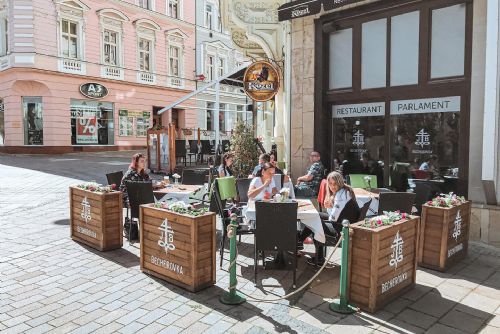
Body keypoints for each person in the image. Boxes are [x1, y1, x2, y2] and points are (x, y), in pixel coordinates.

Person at [299, 171, 360, 266]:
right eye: (330, 184)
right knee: (315, 215)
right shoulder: (345, 191)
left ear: (340, 182)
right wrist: (331, 207)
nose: (332, 186)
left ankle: (317, 257)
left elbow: (333, 219)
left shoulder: (340, 195)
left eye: (335, 184)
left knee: (314, 221)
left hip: (342, 230)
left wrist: (329, 207)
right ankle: (300, 240)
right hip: (345, 224)